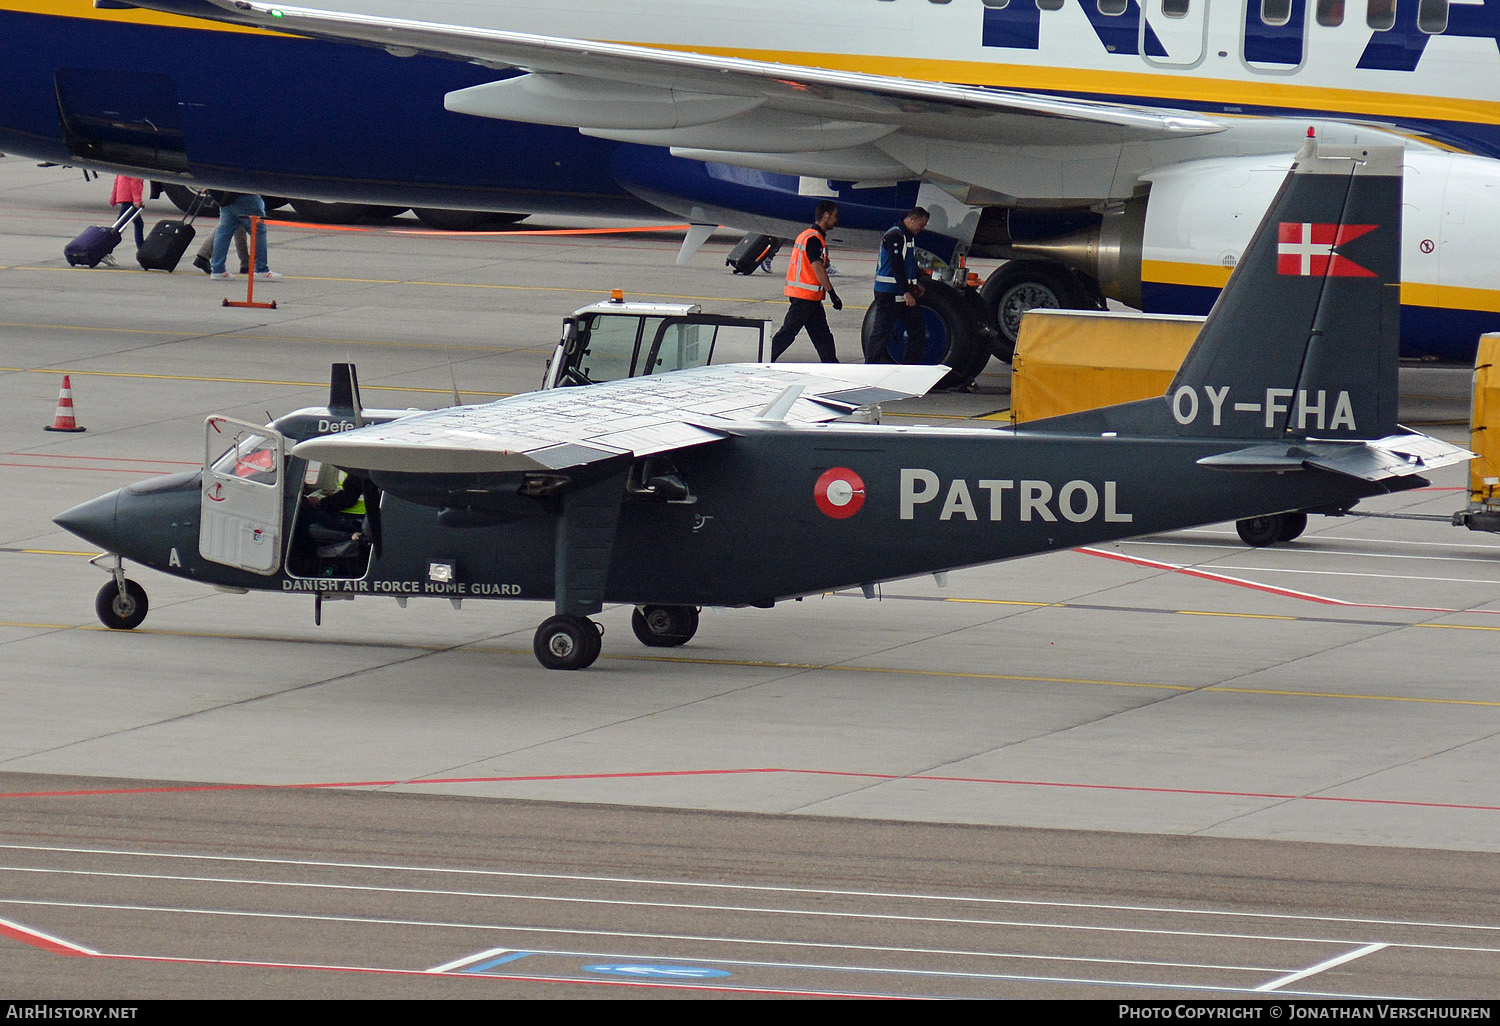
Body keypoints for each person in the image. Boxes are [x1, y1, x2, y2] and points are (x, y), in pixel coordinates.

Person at [769, 200, 842, 363]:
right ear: (826, 216)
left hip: (810, 299)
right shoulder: (813, 239)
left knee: (822, 336)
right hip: (804, 298)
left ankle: (832, 364)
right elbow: (817, 268)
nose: (836, 220)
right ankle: (763, 359)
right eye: (834, 216)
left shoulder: (808, 236)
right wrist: (832, 294)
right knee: (787, 334)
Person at [866, 207, 931, 364]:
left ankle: (909, 369)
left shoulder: (907, 237)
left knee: (917, 331)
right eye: (921, 225)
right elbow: (897, 266)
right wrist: (906, 292)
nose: (922, 229)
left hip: (900, 293)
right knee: (881, 333)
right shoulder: (895, 236)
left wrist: (917, 281)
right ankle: (869, 368)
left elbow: (908, 264)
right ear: (912, 220)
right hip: (889, 294)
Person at [208, 191, 281, 281]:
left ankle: (217, 269)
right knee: (258, 231)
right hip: (245, 194)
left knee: (224, 232)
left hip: (226, 197)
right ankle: (261, 269)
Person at [106, 175, 145, 265]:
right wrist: (137, 199)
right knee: (120, 226)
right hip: (129, 198)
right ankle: (106, 249)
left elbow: (117, 181)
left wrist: (114, 198)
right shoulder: (137, 165)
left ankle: (142, 250)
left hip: (123, 195)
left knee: (137, 224)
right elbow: (135, 181)